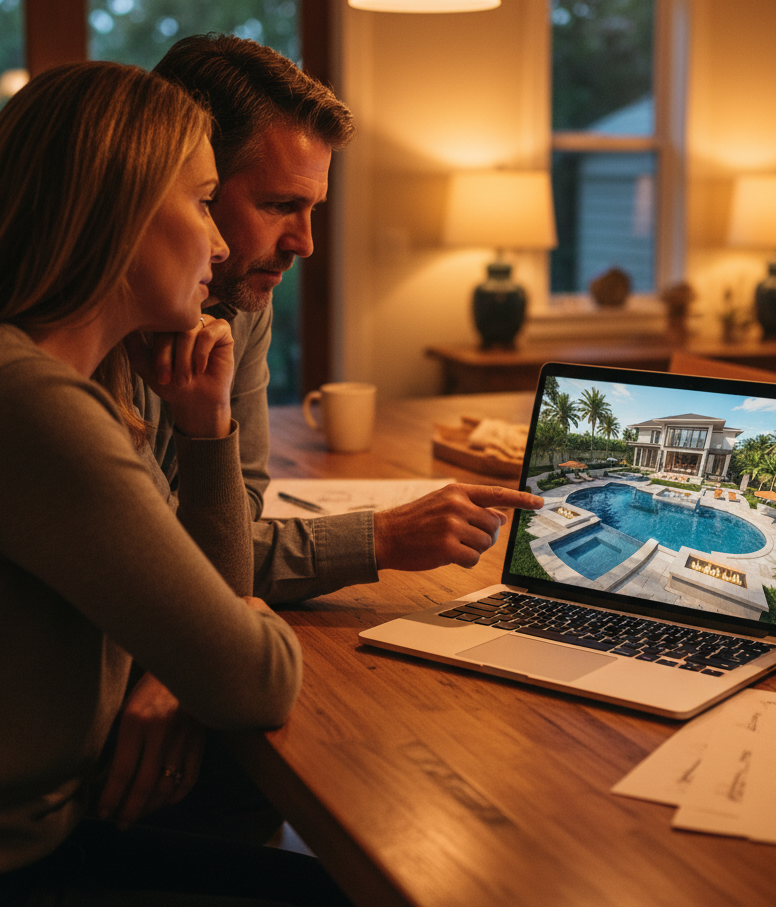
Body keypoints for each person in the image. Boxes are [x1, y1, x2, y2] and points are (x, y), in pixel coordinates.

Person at [0, 62, 349, 906]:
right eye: (203, 202)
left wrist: (204, 427)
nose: (220, 244)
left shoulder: (37, 380)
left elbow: (213, 629)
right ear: (118, 211)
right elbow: (250, 678)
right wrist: (241, 625)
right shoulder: (22, 402)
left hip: (30, 839)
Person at [149, 34, 543, 605]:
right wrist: (381, 537)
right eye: (279, 205)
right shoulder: (88, 347)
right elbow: (164, 564)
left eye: (313, 208)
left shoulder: (242, 298)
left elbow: (238, 513)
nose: (305, 244)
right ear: (189, 183)